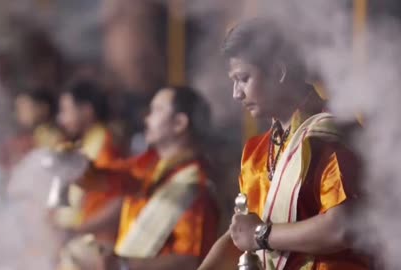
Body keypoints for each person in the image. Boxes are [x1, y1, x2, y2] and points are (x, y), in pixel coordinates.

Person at [198, 19, 368, 270]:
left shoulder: (330, 134)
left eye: (243, 78)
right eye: (233, 81)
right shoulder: (256, 152)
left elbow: (341, 227)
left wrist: (261, 234)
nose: (236, 93)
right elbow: (240, 235)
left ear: (279, 72)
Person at [70, 86, 219, 270]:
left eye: (157, 110)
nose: (147, 118)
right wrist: (71, 165)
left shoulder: (196, 183)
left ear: (180, 123)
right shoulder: (149, 167)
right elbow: (103, 178)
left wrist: (124, 266)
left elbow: (190, 261)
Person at [52, 80, 122, 238]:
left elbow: (119, 202)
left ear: (87, 111)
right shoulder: (84, 143)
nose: (61, 119)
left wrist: (76, 231)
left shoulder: (106, 145)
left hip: (96, 240)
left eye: (66, 111)